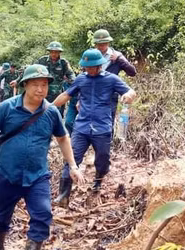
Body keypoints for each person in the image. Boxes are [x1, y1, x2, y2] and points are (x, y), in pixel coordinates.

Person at [0, 64, 84, 250]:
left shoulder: (51, 112)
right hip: (7, 173)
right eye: (35, 84)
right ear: (25, 85)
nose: (40, 89)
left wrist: (72, 165)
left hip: (37, 176)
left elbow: (63, 138)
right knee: (1, 214)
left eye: (44, 85)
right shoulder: (7, 108)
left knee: (43, 214)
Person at [52, 49, 136, 207]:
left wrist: (129, 96)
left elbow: (130, 91)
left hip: (102, 127)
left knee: (102, 160)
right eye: (86, 67)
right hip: (81, 127)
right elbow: (66, 95)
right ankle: (63, 196)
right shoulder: (80, 79)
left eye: (92, 67)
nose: (89, 70)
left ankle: (97, 184)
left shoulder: (112, 79)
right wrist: (48, 107)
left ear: (99, 65)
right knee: (72, 159)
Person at [92, 29, 137, 124]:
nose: (101, 46)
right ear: (95, 44)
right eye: (99, 44)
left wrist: (120, 60)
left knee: (108, 122)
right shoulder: (91, 55)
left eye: (104, 43)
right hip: (92, 93)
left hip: (110, 95)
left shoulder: (117, 55)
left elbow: (132, 72)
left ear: (108, 43)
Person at [35, 41, 75, 113]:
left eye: (56, 52)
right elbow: (31, 71)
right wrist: (17, 81)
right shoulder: (42, 60)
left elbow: (71, 75)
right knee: (42, 114)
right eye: (52, 52)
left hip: (57, 95)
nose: (54, 54)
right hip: (43, 93)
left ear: (59, 52)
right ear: (49, 52)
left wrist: (75, 85)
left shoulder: (63, 62)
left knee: (57, 115)